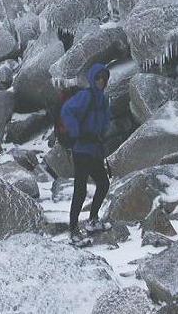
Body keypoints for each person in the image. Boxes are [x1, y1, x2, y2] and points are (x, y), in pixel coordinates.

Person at [61, 62, 112, 244]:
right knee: (80, 190)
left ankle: (92, 220)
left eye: (104, 78)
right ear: (92, 78)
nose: (101, 81)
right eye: (98, 77)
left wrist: (103, 132)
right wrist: (76, 132)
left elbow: (106, 119)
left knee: (104, 183)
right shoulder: (86, 96)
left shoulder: (103, 99)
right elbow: (67, 110)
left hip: (94, 149)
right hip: (82, 149)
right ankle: (73, 230)